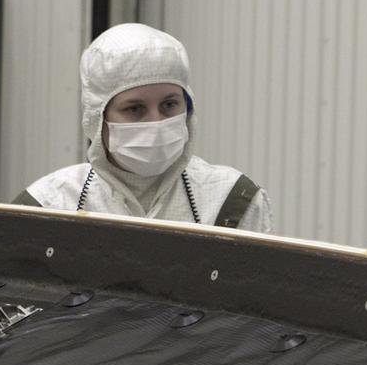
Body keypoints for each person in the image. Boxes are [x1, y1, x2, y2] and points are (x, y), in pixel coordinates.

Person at [14, 22, 272, 231]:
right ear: (97, 119)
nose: (156, 122)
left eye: (169, 105)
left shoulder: (232, 200)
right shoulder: (49, 205)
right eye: (134, 109)